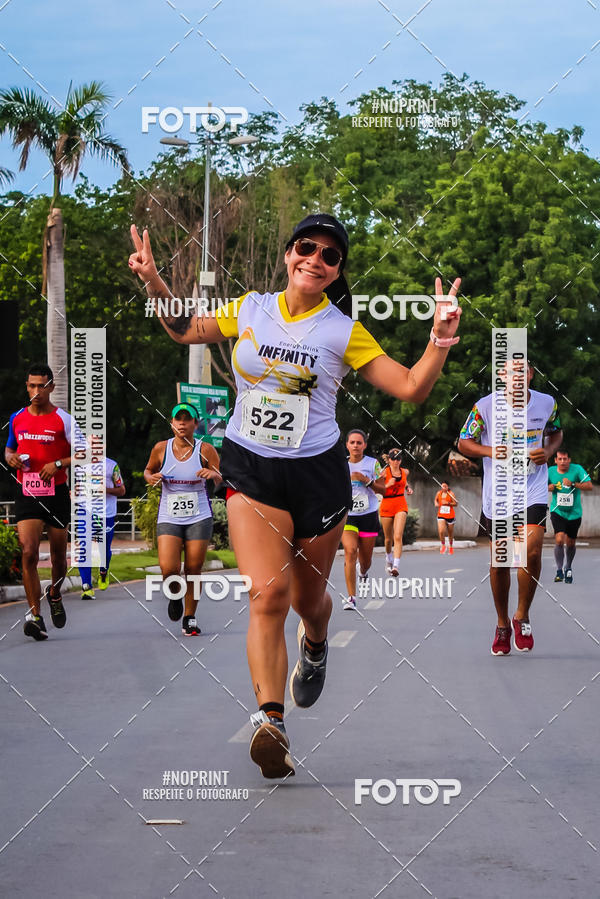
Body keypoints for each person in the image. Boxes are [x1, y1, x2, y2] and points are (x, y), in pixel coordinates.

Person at [129, 212, 462, 778]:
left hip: (315, 474)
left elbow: (410, 387)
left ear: (337, 272)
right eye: (306, 247)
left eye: (330, 255)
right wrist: (155, 281)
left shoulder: (341, 330)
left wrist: (441, 337)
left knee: (309, 601)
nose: (315, 259)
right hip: (251, 466)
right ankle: (271, 721)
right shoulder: (251, 308)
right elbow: (188, 330)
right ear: (288, 254)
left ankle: (316, 641)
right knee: (267, 595)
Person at [458, 360, 563, 655]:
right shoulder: (484, 407)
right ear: (502, 376)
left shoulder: (546, 403)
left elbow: (556, 432)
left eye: (524, 370)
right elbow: (464, 442)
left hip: (534, 488)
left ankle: (522, 616)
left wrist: (550, 451)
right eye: (511, 371)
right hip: (500, 492)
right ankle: (503, 623)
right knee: (502, 561)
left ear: (530, 375)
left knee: (531, 550)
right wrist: (491, 451)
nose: (518, 375)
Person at [4, 364, 72, 641]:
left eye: (41, 386)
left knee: (57, 557)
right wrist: (10, 457)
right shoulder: (17, 418)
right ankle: (35, 616)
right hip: (28, 491)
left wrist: (58, 463)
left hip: (56, 493)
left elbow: (85, 453)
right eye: (31, 386)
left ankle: (54, 593)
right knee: (29, 552)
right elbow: (9, 447)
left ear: (51, 387)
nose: (35, 391)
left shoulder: (64, 420)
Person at [144, 404, 221, 636]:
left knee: (194, 567)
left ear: (195, 425)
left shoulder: (205, 450)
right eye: (178, 419)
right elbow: (147, 470)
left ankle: (189, 617)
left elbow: (221, 478)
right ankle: (175, 594)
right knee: (168, 569)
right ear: (172, 423)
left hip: (199, 515)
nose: (182, 424)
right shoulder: (161, 448)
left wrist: (213, 474)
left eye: (187, 420)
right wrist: (151, 477)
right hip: (169, 514)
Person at [341, 428, 385, 610]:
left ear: (365, 445)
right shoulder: (341, 465)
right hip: (348, 515)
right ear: (347, 445)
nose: (356, 446)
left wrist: (365, 480)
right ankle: (351, 597)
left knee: (365, 560)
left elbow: (383, 489)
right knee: (350, 551)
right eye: (352, 442)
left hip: (368, 514)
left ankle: (363, 571)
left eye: (359, 442)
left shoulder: (373, 463)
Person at [79, 447, 126, 600]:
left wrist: (105, 489)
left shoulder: (112, 466)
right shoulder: (80, 465)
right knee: (83, 548)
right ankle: (86, 586)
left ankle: (103, 571)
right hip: (86, 511)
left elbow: (122, 490)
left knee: (103, 549)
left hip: (106, 513)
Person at [548, 449, 592, 584]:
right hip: (558, 511)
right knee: (560, 539)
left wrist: (573, 484)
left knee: (571, 543)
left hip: (574, 513)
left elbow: (589, 486)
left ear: (569, 460)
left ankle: (568, 567)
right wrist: (548, 487)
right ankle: (559, 570)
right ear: (555, 460)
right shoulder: (550, 471)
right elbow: (540, 485)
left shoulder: (577, 469)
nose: (562, 462)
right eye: (560, 459)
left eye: (565, 459)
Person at [379, 448, 413, 576]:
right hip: (387, 504)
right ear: (389, 460)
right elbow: (376, 489)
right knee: (388, 539)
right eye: (393, 459)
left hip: (400, 504)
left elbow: (404, 482)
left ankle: (396, 566)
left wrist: (408, 487)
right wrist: (387, 485)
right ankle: (388, 559)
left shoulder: (405, 472)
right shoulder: (383, 473)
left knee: (398, 536)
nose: (396, 461)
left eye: (398, 458)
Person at [434, 481, 458, 554]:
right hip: (441, 514)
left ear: (448, 487)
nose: (444, 488)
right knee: (441, 531)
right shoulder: (439, 493)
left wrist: (448, 503)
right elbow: (435, 500)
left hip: (450, 515)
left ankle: (450, 546)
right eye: (442, 486)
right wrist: (436, 503)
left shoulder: (451, 494)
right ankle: (443, 545)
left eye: (445, 486)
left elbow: (455, 504)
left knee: (450, 533)